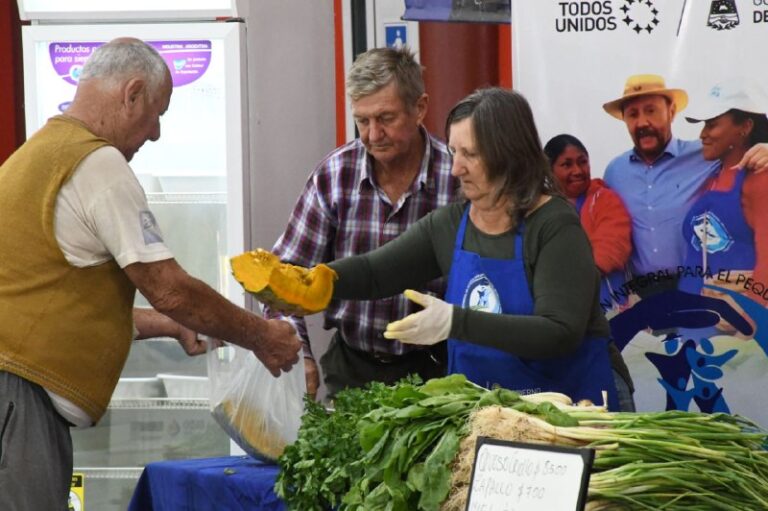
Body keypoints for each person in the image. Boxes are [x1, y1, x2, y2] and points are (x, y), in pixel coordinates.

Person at [0, 38, 301, 511]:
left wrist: (171, 325)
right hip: (19, 398)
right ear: (132, 93)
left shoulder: (34, 156)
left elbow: (65, 302)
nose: (156, 133)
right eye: (157, 113)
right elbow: (170, 288)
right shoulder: (96, 163)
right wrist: (261, 337)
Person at [269, 88, 634, 411]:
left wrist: (454, 322)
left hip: (577, 410)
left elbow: (559, 331)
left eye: (470, 154)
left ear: (509, 155)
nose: (456, 167)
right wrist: (315, 281)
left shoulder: (554, 225)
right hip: (494, 417)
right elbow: (375, 273)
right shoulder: (450, 225)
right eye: (453, 151)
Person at [265, 46, 459, 399]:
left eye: (385, 118)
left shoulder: (457, 176)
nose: (372, 134)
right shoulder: (335, 175)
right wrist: (301, 354)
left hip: (439, 370)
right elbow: (283, 277)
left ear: (420, 108)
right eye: (362, 121)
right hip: (352, 368)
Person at [602, 74, 768, 295]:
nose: (642, 122)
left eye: (651, 110)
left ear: (671, 112)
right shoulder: (614, 172)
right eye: (632, 114)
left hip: (711, 295)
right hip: (646, 293)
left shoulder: (706, 156)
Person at [679, 80, 768, 307]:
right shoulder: (710, 177)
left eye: (712, 124)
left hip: (735, 326)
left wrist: (754, 320)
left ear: (745, 127)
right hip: (694, 318)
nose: (703, 134)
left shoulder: (759, 179)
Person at [544, 134, 633, 313]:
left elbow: (612, 246)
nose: (577, 170)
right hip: (560, 313)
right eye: (566, 164)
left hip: (610, 307)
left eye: (582, 162)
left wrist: (567, 279)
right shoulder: (539, 210)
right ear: (548, 170)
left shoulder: (604, 199)